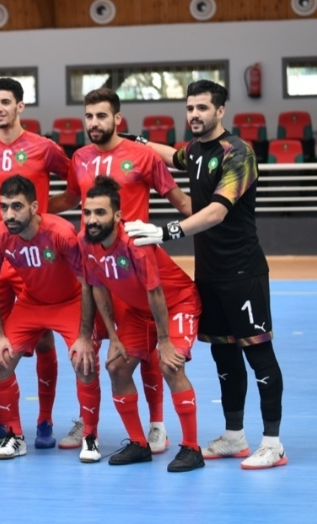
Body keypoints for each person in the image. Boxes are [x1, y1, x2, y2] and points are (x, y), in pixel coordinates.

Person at [125, 80, 287, 469]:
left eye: (202, 108)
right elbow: (173, 155)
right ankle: (234, 436)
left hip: (243, 272)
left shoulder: (239, 153)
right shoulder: (196, 151)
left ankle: (273, 442)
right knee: (223, 354)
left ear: (220, 111)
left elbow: (217, 210)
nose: (194, 114)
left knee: (258, 354)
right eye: (189, 108)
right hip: (210, 275)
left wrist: (168, 232)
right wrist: (136, 142)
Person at [50, 87, 192, 454]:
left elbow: (179, 201)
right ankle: (89, 422)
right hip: (97, 267)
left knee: (150, 351)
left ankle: (156, 424)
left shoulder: (142, 156)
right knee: (102, 347)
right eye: (89, 116)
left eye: (102, 116)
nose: (94, 123)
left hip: (137, 266)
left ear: (118, 119)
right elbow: (69, 200)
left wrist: (221, 213)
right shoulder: (78, 158)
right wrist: (26, 211)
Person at [75, 177, 204, 473]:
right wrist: (114, 336)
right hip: (136, 311)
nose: (92, 220)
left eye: (100, 213)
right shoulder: (85, 242)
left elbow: (155, 292)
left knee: (169, 364)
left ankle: (192, 448)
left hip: (175, 304)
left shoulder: (134, 242)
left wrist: (165, 341)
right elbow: (97, 287)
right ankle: (138, 443)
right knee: (116, 366)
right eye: (87, 213)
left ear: (118, 216)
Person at [0, 77, 71, 450]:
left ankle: (44, 419)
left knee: (44, 340)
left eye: (5, 102)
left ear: (20, 106)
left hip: (36, 260)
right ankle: (4, 422)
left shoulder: (44, 148)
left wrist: (45, 212)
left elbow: (75, 187)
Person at [0, 175, 102, 463]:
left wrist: (85, 335)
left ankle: (90, 436)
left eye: (17, 206)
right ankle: (15, 435)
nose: (9, 214)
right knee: (0, 359)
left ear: (34, 207)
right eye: (4, 206)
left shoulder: (61, 232)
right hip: (31, 303)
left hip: (69, 302)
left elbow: (87, 282)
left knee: (85, 363)